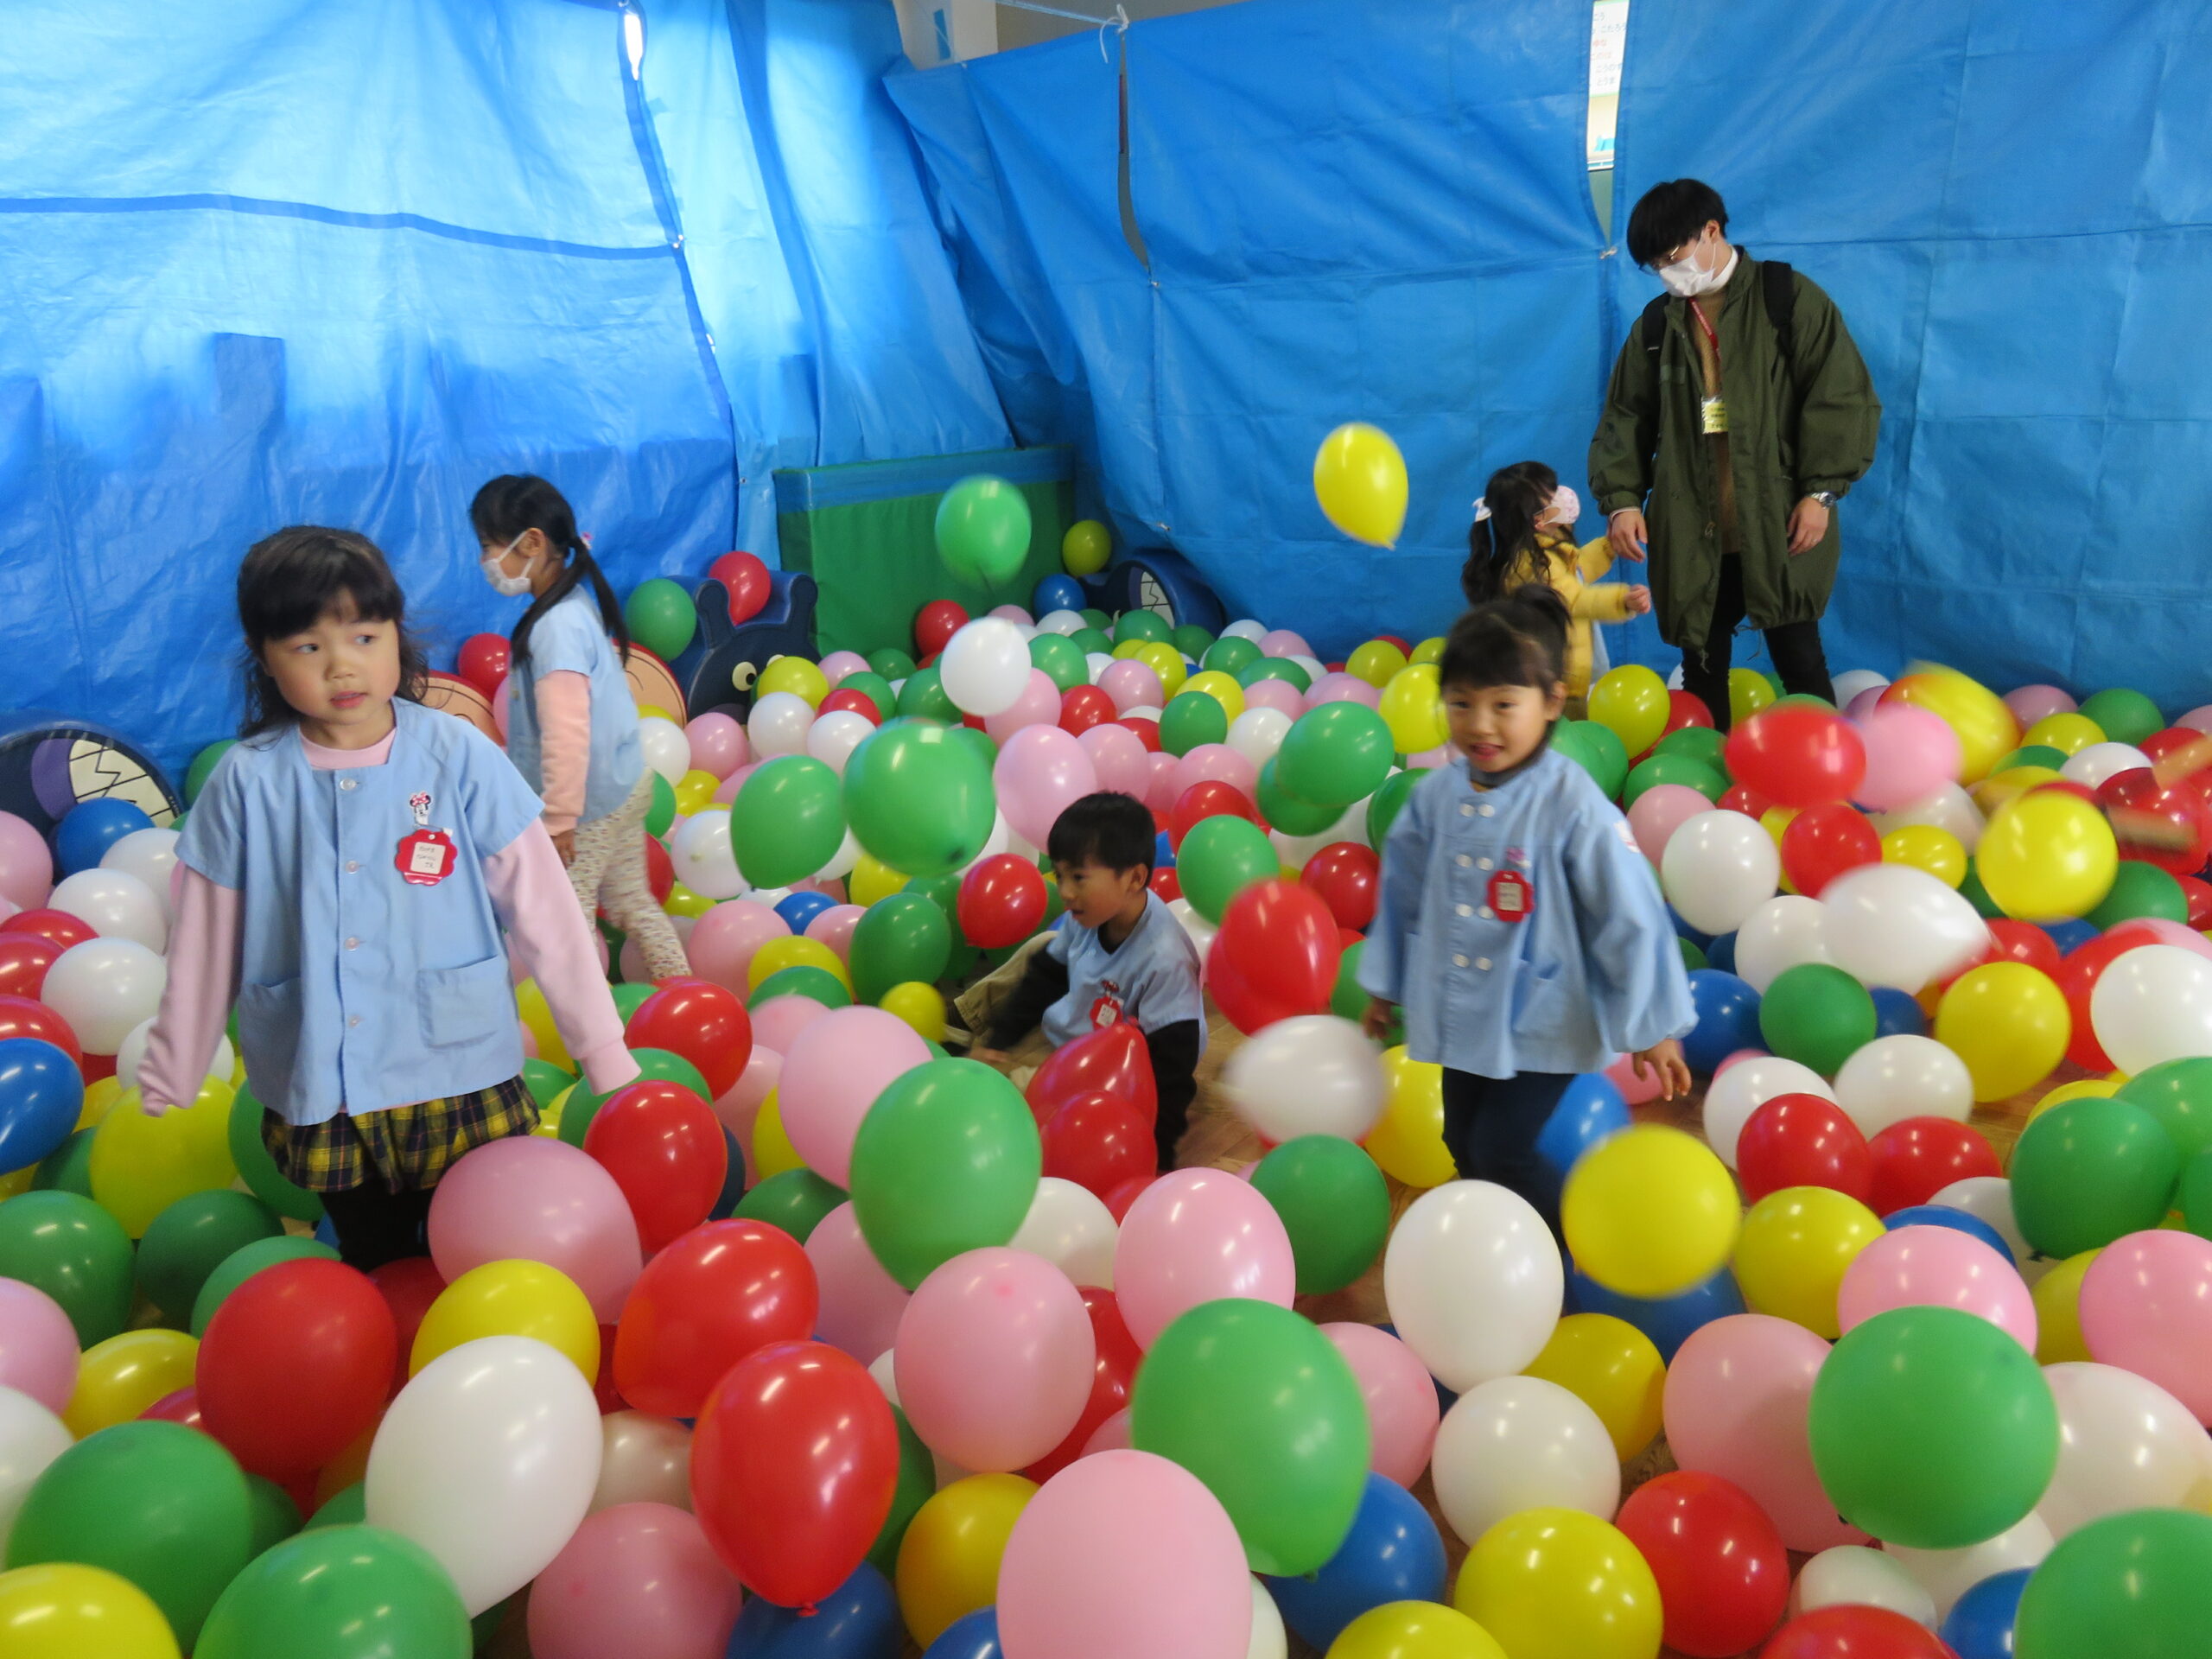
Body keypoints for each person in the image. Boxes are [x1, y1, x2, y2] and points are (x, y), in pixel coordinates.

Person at [137, 526, 639, 1270]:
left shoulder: (456, 753)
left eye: (364, 637)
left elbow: (545, 910)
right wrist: (177, 1063)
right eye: (307, 646)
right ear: (264, 658)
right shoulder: (248, 781)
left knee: (485, 1247)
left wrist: (601, 1047)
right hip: (328, 1079)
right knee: (373, 1253)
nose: (341, 665)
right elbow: (205, 941)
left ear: (396, 635)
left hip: (457, 1065)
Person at [1359, 588, 1694, 1230]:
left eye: (1503, 705)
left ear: (1551, 703)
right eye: (1462, 703)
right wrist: (1386, 984)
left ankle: (1568, 1239)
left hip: (1547, 1014)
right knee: (1460, 1141)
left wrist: (1652, 1024)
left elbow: (1629, 911)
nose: (1480, 725)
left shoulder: (1572, 803)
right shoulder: (1436, 798)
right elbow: (1401, 888)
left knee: (1501, 1149)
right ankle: (1502, 1242)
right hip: (1465, 1011)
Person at [1590, 178, 1881, 728]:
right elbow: (1625, 417)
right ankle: (1712, 773)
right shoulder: (1657, 324)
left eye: (1673, 255)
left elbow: (1841, 398)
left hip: (1777, 518)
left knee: (1799, 657)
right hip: (1693, 525)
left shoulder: (1787, 299)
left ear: (1711, 231)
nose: (1667, 272)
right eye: (1656, 265)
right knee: (1702, 665)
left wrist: (1820, 494)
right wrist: (1622, 501)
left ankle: (1824, 767)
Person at [471, 474, 689, 982]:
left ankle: (586, 1021)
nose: (485, 561)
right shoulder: (569, 604)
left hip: (588, 806)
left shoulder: (556, 628)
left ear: (531, 543)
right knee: (631, 902)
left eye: (488, 546)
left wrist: (560, 819)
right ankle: (680, 986)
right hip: (622, 785)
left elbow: (567, 732)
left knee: (567, 921)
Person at [970, 792, 1204, 1173]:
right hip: (1080, 1039)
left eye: (1078, 877)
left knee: (1012, 1111)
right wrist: (1000, 1041)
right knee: (1044, 949)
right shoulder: (1088, 916)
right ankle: (966, 1020)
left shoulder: (1165, 959)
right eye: (1060, 875)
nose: (1064, 891)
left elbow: (1172, 1068)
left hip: (1126, 1071)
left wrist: (1158, 1156)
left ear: (1134, 878)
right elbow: (1044, 977)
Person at [1461, 460, 1650, 715]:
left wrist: (1609, 546)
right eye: (1553, 494)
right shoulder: (1529, 565)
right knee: (1566, 729)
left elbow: (1578, 569)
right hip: (1556, 678)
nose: (1562, 496)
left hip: (1563, 676)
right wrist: (1622, 600)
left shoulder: (1546, 551)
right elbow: (1573, 599)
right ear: (1537, 519)